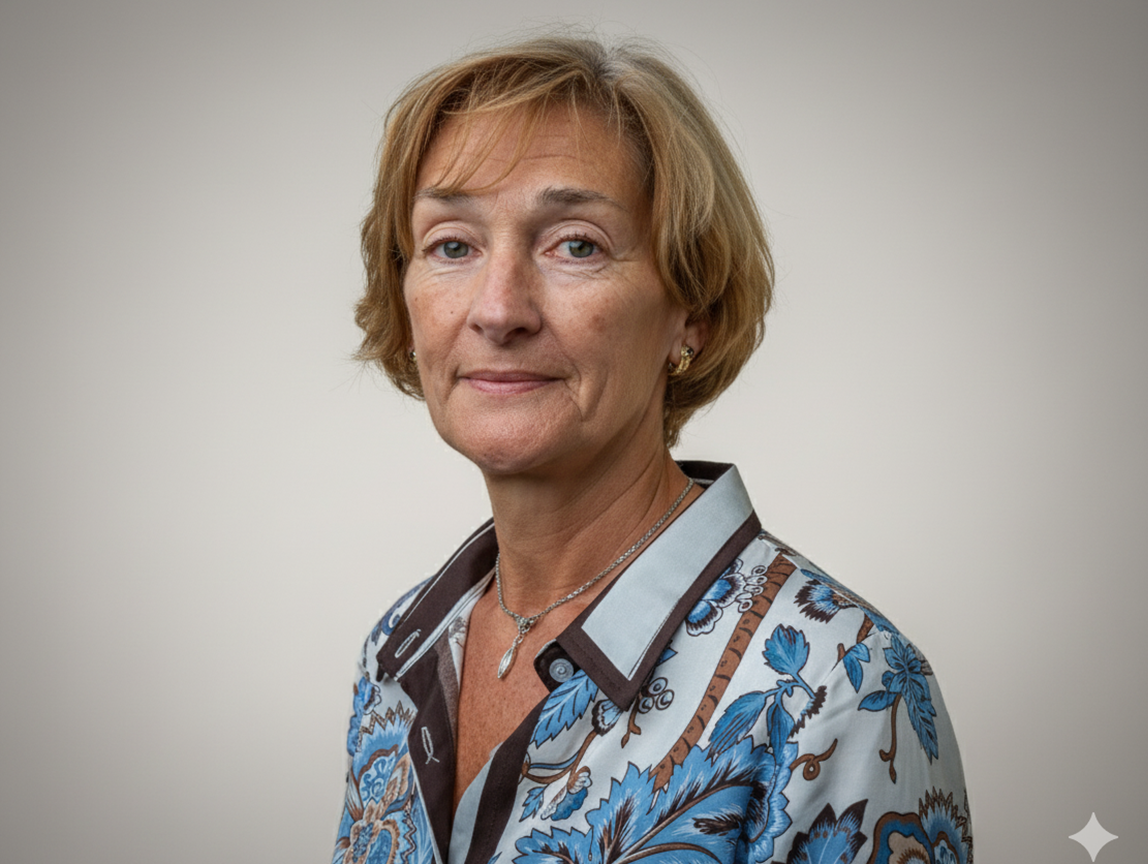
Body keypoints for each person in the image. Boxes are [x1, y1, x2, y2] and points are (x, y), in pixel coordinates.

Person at [335, 35, 971, 864]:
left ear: (691, 311)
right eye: (452, 244)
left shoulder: (840, 686)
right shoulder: (399, 652)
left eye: (576, 244)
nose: (498, 310)